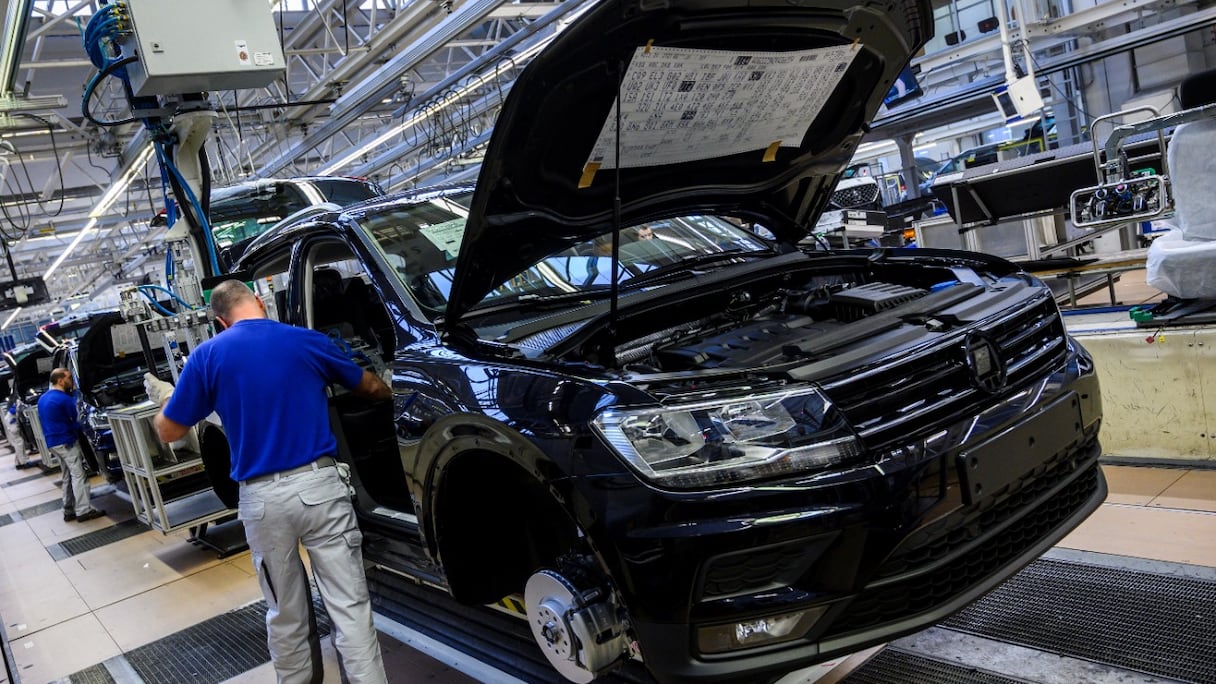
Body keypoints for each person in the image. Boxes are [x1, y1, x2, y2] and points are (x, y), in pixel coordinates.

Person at [148, 279, 391, 684]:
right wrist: (391, 390)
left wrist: (166, 400)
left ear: (222, 322)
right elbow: (369, 386)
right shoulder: (304, 340)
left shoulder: (207, 356)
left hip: (261, 502)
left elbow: (169, 431)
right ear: (259, 302)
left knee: (286, 615)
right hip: (319, 488)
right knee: (349, 609)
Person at [38, 368, 104, 522]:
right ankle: (83, 510)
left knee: (67, 475)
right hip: (66, 441)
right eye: (68, 377)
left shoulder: (43, 398)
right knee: (78, 475)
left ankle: (68, 510)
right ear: (60, 380)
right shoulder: (64, 399)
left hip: (53, 442)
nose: (71, 380)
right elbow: (75, 420)